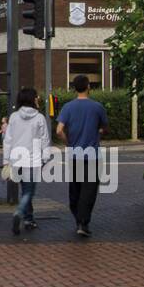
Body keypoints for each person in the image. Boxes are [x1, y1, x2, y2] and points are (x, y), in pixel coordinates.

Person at [56, 75, 108, 238]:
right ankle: (83, 222)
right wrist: (97, 132)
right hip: (92, 155)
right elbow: (104, 128)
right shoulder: (97, 107)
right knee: (89, 190)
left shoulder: (67, 107)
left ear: (74, 88)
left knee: (76, 188)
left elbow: (59, 130)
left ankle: (78, 217)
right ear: (88, 87)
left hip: (75, 154)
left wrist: (68, 142)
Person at [3, 87, 50, 236]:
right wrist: (45, 157)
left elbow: (8, 140)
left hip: (16, 159)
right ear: (32, 99)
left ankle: (29, 219)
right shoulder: (39, 118)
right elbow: (45, 140)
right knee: (29, 191)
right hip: (32, 160)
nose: (38, 99)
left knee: (25, 191)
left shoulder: (14, 117)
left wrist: (6, 159)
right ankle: (19, 212)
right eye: (36, 97)